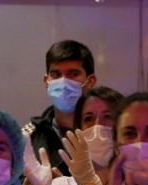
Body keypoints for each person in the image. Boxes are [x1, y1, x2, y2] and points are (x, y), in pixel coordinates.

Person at [23, 40, 97, 176]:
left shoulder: (106, 132)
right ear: (46, 81)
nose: (63, 81)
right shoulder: (28, 137)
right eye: (56, 74)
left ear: (90, 80)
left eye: (73, 74)